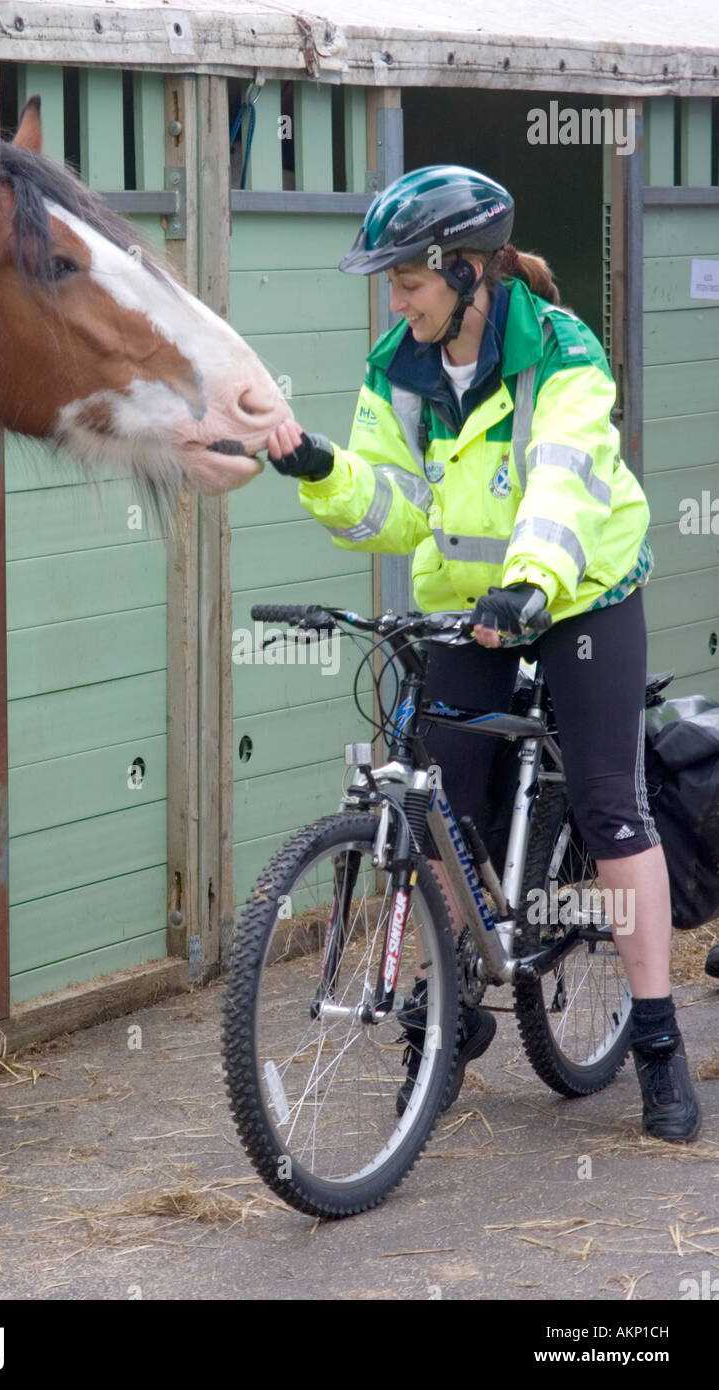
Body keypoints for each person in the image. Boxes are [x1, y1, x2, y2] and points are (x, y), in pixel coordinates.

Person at [265, 164, 702, 1143]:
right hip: (467, 603)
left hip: (578, 592)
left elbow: (562, 478)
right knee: (437, 811)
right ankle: (450, 998)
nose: (395, 298)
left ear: (464, 271)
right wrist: (316, 467)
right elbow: (396, 505)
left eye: (407, 280)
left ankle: (656, 1041)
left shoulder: (558, 350)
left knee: (606, 803)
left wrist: (533, 580)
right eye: (391, 283)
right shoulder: (398, 365)